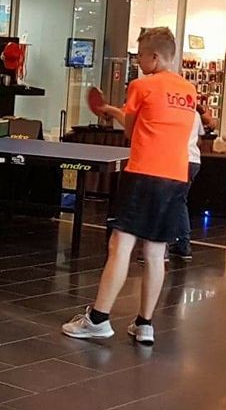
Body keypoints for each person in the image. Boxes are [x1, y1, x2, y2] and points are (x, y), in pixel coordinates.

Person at [64, 27, 198, 347]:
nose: (138, 62)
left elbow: (131, 131)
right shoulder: (189, 90)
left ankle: (98, 319)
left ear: (155, 57)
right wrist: (115, 111)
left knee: (120, 245)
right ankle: (145, 324)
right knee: (155, 252)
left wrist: (114, 112)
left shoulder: (141, 85)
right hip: (176, 177)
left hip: (143, 173)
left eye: (140, 56)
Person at [96, 97, 213, 262]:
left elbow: (134, 128)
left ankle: (161, 249)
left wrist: (113, 111)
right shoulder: (191, 112)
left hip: (174, 160)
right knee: (178, 202)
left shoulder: (166, 109)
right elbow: (200, 138)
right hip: (193, 160)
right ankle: (182, 245)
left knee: (160, 202)